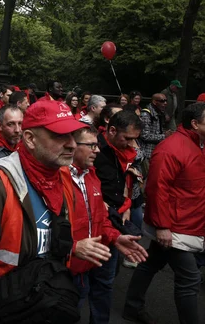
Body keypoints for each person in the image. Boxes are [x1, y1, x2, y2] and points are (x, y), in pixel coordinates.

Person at [0, 100, 88, 323]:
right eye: (59, 136)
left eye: (73, 135)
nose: (72, 144)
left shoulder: (62, 178)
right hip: (2, 308)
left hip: (42, 302)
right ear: (30, 139)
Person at [123, 102, 205, 324]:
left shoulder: (203, 144)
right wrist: (163, 226)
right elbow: (156, 189)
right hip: (174, 227)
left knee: (151, 263)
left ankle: (132, 307)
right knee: (190, 279)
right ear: (195, 124)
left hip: (188, 222)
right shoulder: (172, 148)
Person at [61, 126, 148, 324]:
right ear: (73, 146)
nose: (97, 150)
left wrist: (115, 237)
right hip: (67, 266)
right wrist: (73, 248)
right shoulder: (58, 177)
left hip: (91, 260)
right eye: (91, 145)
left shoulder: (91, 175)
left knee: (97, 294)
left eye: (97, 145)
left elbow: (100, 215)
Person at [92, 111, 142, 307]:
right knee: (82, 284)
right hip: (93, 221)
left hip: (115, 219)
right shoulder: (92, 148)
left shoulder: (124, 151)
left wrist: (126, 204)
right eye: (127, 138)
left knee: (106, 280)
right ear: (111, 130)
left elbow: (124, 179)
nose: (131, 145)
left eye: (134, 140)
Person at [139, 93, 170, 163]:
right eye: (162, 101)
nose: (165, 103)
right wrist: (164, 136)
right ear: (155, 102)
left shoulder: (160, 113)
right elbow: (144, 136)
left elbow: (157, 130)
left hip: (157, 150)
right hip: (147, 153)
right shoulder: (146, 114)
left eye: (166, 101)